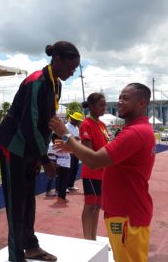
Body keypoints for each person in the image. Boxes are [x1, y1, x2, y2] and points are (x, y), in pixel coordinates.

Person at [49, 83, 155, 262]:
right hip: (124, 211)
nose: (119, 102)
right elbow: (103, 153)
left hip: (126, 215)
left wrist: (65, 134)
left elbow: (95, 159)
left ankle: (89, 241)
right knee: (91, 207)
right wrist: (74, 148)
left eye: (126, 98)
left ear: (142, 103)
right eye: (120, 97)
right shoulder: (136, 130)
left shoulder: (134, 132)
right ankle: (89, 241)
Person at [0, 41, 80, 262]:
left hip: (31, 150)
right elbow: (29, 124)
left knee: (28, 199)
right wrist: (44, 159)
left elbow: (48, 122)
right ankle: (16, 257)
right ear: (58, 60)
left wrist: (42, 152)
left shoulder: (56, 84)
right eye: (71, 68)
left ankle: (31, 246)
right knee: (16, 204)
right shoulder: (37, 81)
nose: (73, 73)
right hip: (13, 148)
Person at [79, 93, 109, 240]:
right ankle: (87, 239)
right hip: (91, 172)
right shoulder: (86, 124)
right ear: (91, 107)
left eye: (105, 104)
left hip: (103, 172)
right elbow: (88, 151)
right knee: (90, 205)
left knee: (97, 207)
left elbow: (107, 147)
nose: (104, 107)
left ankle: (93, 238)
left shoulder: (102, 125)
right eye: (101, 105)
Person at [65, 111, 83, 192]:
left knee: (75, 168)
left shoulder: (76, 128)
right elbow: (63, 137)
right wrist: (74, 138)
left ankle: (71, 185)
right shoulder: (66, 126)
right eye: (77, 120)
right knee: (69, 168)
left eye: (78, 120)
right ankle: (65, 186)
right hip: (68, 150)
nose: (78, 122)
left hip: (76, 151)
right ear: (72, 119)